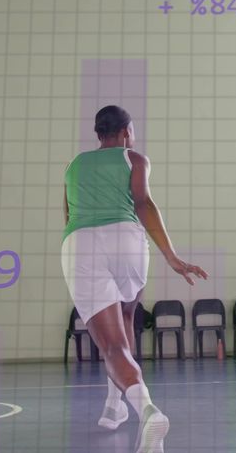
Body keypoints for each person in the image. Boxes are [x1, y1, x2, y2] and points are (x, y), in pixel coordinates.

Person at [62, 105, 208, 452]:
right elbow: (143, 204)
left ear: (99, 133)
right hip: (128, 241)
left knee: (111, 346)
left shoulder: (73, 165)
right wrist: (171, 256)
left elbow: (67, 212)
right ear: (126, 132)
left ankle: (147, 410)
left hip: (80, 242)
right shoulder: (135, 159)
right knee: (126, 318)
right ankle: (114, 406)